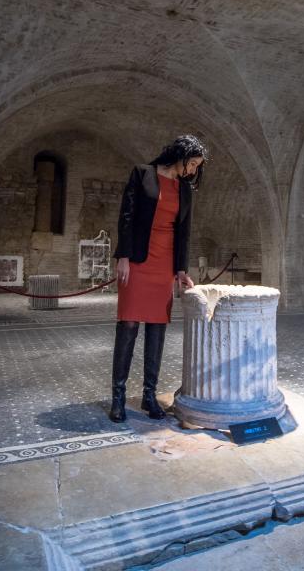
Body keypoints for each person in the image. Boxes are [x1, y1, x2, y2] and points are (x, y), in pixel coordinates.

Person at [109, 135, 207, 422]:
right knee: (128, 323)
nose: (193, 170)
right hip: (138, 259)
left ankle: (149, 396)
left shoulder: (185, 189)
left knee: (157, 326)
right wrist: (123, 255)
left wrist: (180, 269)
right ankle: (118, 397)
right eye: (192, 163)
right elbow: (126, 215)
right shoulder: (143, 174)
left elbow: (183, 231)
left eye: (197, 166)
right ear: (180, 156)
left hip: (164, 262)